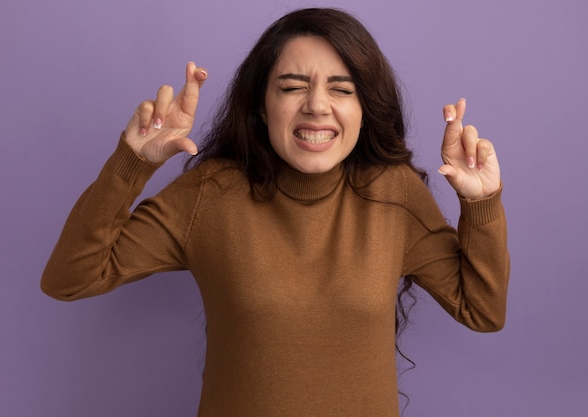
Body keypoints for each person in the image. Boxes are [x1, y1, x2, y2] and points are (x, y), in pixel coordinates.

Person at [41, 7, 509, 417]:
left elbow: (483, 310)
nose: (317, 106)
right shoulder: (211, 193)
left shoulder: (393, 194)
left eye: (342, 90)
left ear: (365, 108)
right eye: (291, 86)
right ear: (263, 106)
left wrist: (481, 203)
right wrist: (133, 163)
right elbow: (71, 278)